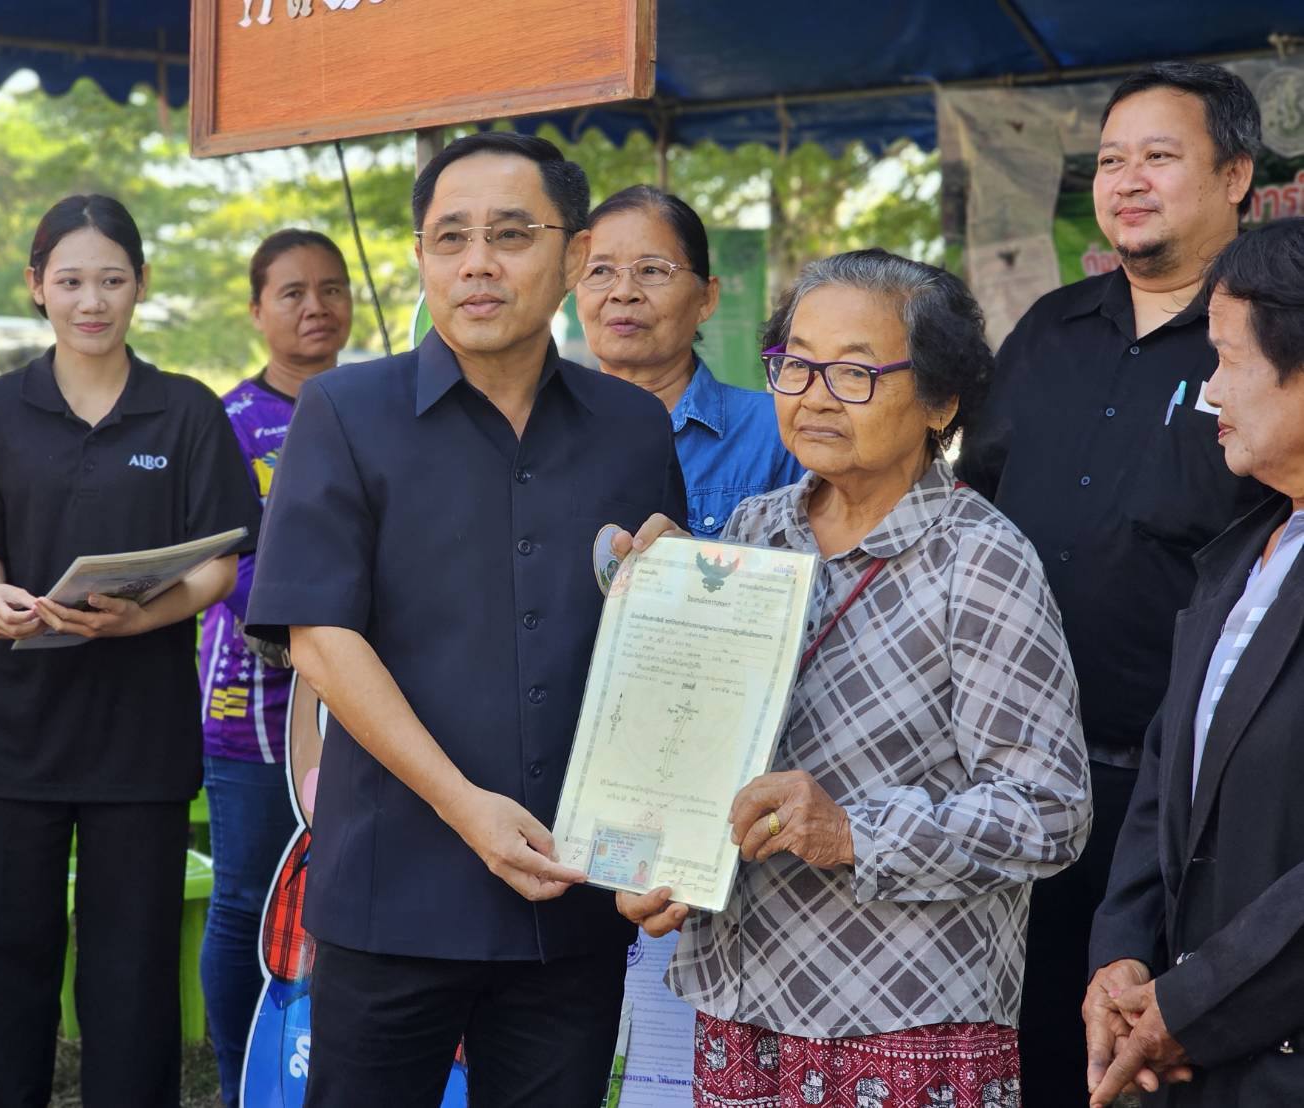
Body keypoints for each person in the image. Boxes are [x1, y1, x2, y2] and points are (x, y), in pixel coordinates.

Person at [244, 132, 687, 1107]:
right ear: (420, 258)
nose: (477, 262)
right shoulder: (344, 412)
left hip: (569, 901)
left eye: (510, 234)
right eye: (450, 238)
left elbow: (662, 656)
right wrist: (462, 805)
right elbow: (319, 634)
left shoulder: (629, 426)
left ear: (570, 256)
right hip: (394, 890)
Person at [616, 250, 1092, 1108]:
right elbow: (695, 746)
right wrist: (661, 855)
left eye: (856, 372)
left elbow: (1048, 811)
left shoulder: (977, 559)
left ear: (941, 401)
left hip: (903, 1016)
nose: (814, 393)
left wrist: (853, 833)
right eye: (795, 364)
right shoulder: (753, 533)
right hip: (741, 1002)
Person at [954, 61, 1270, 1103]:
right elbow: (973, 514)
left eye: (1159, 157)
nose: (1127, 180)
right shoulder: (1048, 330)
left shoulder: (1269, 352)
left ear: (1235, 175)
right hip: (1013, 784)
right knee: (1028, 1047)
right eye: (1109, 160)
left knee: (1154, 1065)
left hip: (1184, 805)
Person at [0, 194, 262, 1107]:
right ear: (36, 287)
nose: (92, 300)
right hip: (12, 732)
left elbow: (219, 569)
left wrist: (139, 618)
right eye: (70, 280)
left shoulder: (187, 412)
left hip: (139, 737)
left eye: (111, 280)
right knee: (8, 964)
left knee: (132, 972)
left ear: (141, 286)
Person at [1085, 219, 1304, 1106]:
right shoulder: (1245, 548)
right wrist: (1121, 956)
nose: (1207, 395)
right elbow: (1166, 766)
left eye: (1226, 360)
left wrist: (1190, 1005)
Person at [198, 227, 354, 1108]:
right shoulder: (225, 422)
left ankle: (312, 1072)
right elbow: (222, 553)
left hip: (364, 696)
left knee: (333, 900)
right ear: (256, 309)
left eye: (330, 289)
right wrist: (303, 620)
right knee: (247, 899)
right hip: (250, 700)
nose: (313, 307)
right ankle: (239, 1081)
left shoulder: (377, 404)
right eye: (290, 292)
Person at [576, 185, 799, 536]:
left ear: (706, 299)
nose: (622, 291)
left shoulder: (777, 433)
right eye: (600, 271)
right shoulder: (539, 433)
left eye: (651, 270)